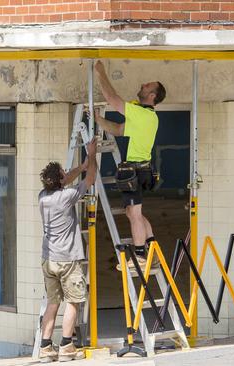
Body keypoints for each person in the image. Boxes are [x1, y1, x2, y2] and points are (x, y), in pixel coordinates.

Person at [93, 60, 166, 270]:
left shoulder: (143, 114)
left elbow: (112, 99)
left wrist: (101, 72)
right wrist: (99, 120)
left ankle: (141, 257)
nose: (143, 85)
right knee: (133, 212)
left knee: (134, 213)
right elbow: (118, 129)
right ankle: (152, 249)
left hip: (136, 170)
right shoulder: (144, 116)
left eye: (147, 86)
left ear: (152, 96)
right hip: (141, 170)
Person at [37, 139, 97, 362]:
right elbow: (90, 180)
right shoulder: (67, 196)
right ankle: (66, 346)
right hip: (67, 259)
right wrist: (91, 156)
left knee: (53, 302)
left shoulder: (44, 197)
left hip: (48, 258)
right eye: (64, 173)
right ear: (60, 179)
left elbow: (67, 179)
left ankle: (45, 348)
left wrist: (79, 168)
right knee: (73, 301)